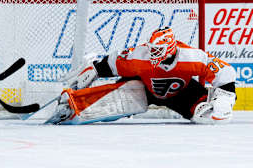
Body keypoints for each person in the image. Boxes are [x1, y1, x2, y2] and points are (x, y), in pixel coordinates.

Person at [47, 27, 237, 125]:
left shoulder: (192, 57)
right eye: (152, 48)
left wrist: (225, 97)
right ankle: (75, 104)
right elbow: (114, 62)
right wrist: (95, 69)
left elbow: (225, 71)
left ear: (170, 49)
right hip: (145, 88)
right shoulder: (140, 55)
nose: (152, 53)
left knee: (207, 115)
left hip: (182, 93)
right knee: (123, 93)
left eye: (158, 50)